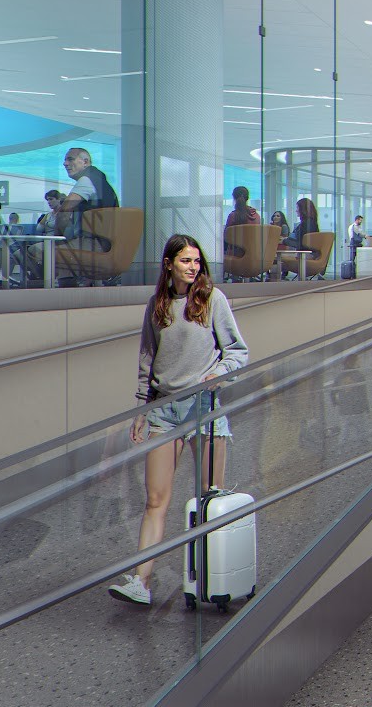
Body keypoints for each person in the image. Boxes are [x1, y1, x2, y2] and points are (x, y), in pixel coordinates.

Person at [109, 234, 249, 606]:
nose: (193, 267)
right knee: (156, 500)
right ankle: (142, 582)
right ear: (168, 264)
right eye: (186, 261)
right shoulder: (157, 304)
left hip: (204, 407)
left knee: (209, 500)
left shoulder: (212, 300)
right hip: (164, 410)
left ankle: (212, 581)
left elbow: (237, 351)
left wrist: (215, 376)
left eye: (197, 261)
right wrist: (142, 408)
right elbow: (146, 358)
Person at [27, 147, 118, 283]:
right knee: (63, 260)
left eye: (70, 159)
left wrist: (58, 238)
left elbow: (64, 211)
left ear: (85, 162)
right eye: (64, 160)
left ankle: (44, 290)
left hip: (94, 244)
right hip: (104, 243)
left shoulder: (87, 180)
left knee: (36, 250)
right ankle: (67, 291)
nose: (65, 163)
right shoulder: (100, 179)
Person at [223, 186, 261, 257]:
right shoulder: (257, 216)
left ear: (234, 198)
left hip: (236, 255)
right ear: (247, 198)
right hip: (254, 255)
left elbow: (226, 237)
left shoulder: (233, 215)